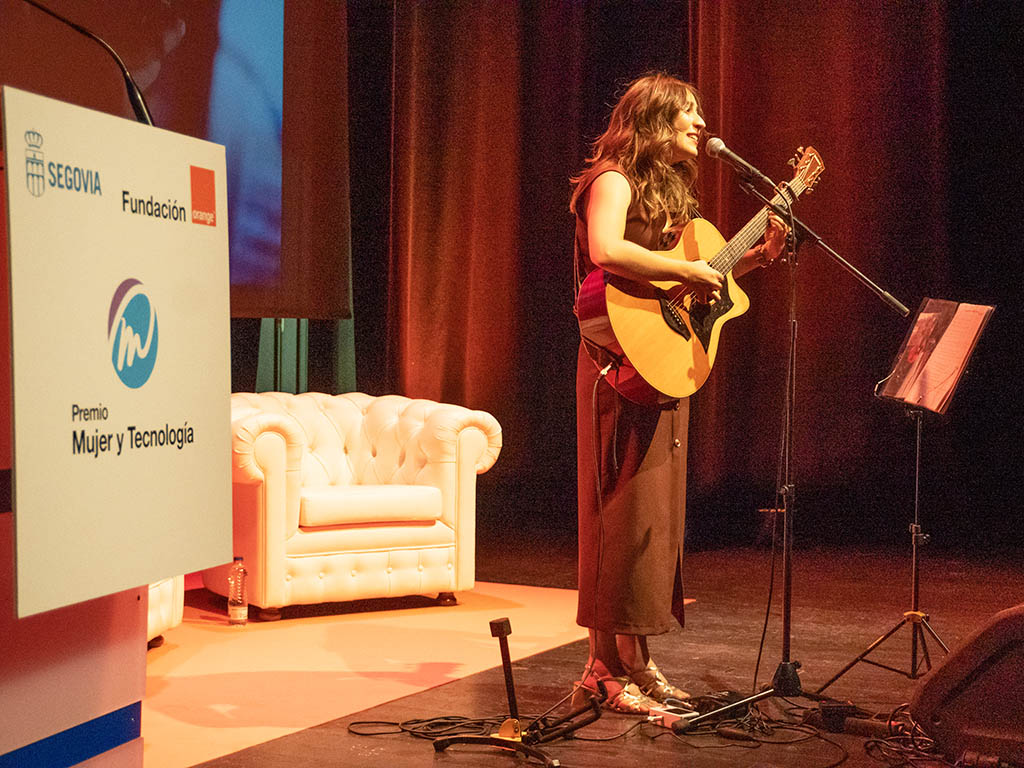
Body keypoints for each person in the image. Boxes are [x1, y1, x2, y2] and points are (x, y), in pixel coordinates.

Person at [569, 72, 788, 714]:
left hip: (661, 362)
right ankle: (601, 669)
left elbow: (697, 280)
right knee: (616, 513)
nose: (700, 123)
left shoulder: (669, 193)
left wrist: (757, 257)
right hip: (615, 361)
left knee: (652, 520)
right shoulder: (612, 178)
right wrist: (683, 269)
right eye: (687, 112)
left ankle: (637, 661)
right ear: (655, 119)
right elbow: (607, 250)